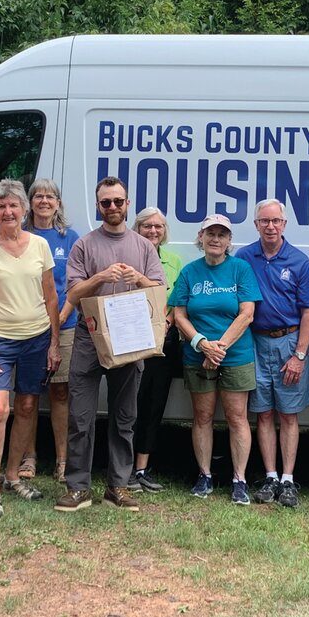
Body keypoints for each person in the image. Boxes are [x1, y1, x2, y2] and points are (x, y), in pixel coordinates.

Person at [57, 177, 165, 513]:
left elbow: (159, 293)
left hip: (130, 338)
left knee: (124, 417)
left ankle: (117, 486)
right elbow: (73, 295)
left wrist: (138, 278)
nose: (113, 207)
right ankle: (78, 488)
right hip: (90, 338)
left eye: (118, 201)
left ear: (128, 203)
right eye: (106, 203)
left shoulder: (143, 246)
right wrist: (101, 277)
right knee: (81, 417)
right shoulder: (85, 246)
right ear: (98, 205)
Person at [0, 180, 60, 517]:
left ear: (24, 210)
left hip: (36, 338)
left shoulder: (39, 246)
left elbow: (51, 296)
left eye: (13, 206)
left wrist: (53, 341)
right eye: (1, 206)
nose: (8, 212)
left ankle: (12, 476)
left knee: (26, 406)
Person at [170, 215, 262, 504]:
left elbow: (247, 313)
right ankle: (205, 475)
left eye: (222, 234)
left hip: (235, 355)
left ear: (229, 241)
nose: (216, 239)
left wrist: (218, 348)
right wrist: (201, 344)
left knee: (237, 418)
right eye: (211, 233)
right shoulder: (189, 272)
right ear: (201, 237)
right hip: (197, 354)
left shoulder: (240, 269)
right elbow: (179, 314)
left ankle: (239, 480)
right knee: (202, 417)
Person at [237, 200, 309, 509]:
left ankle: (288, 479)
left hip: (289, 342)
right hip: (254, 342)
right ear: (256, 224)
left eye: (276, 221)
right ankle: (270, 476)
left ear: (284, 224)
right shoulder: (244, 257)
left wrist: (299, 355)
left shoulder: (298, 261)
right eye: (264, 221)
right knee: (263, 413)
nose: (270, 226)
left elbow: (308, 313)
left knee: (288, 414)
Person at [27, 179, 81, 483]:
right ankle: (29, 457)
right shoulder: (21, 235)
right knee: (29, 394)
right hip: (27, 326)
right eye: (38, 196)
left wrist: (58, 320)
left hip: (64, 325)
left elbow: (74, 286)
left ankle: (62, 460)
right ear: (30, 202)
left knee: (61, 391)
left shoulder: (69, 238)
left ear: (58, 203)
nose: (44, 201)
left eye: (50, 196)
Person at [131, 206, 185, 492]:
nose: (153, 231)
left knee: (153, 405)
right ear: (136, 229)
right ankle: (123, 465)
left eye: (159, 227)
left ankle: (141, 468)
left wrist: (167, 320)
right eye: (147, 226)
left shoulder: (175, 260)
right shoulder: (127, 256)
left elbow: (178, 298)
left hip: (163, 342)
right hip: (131, 341)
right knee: (128, 404)